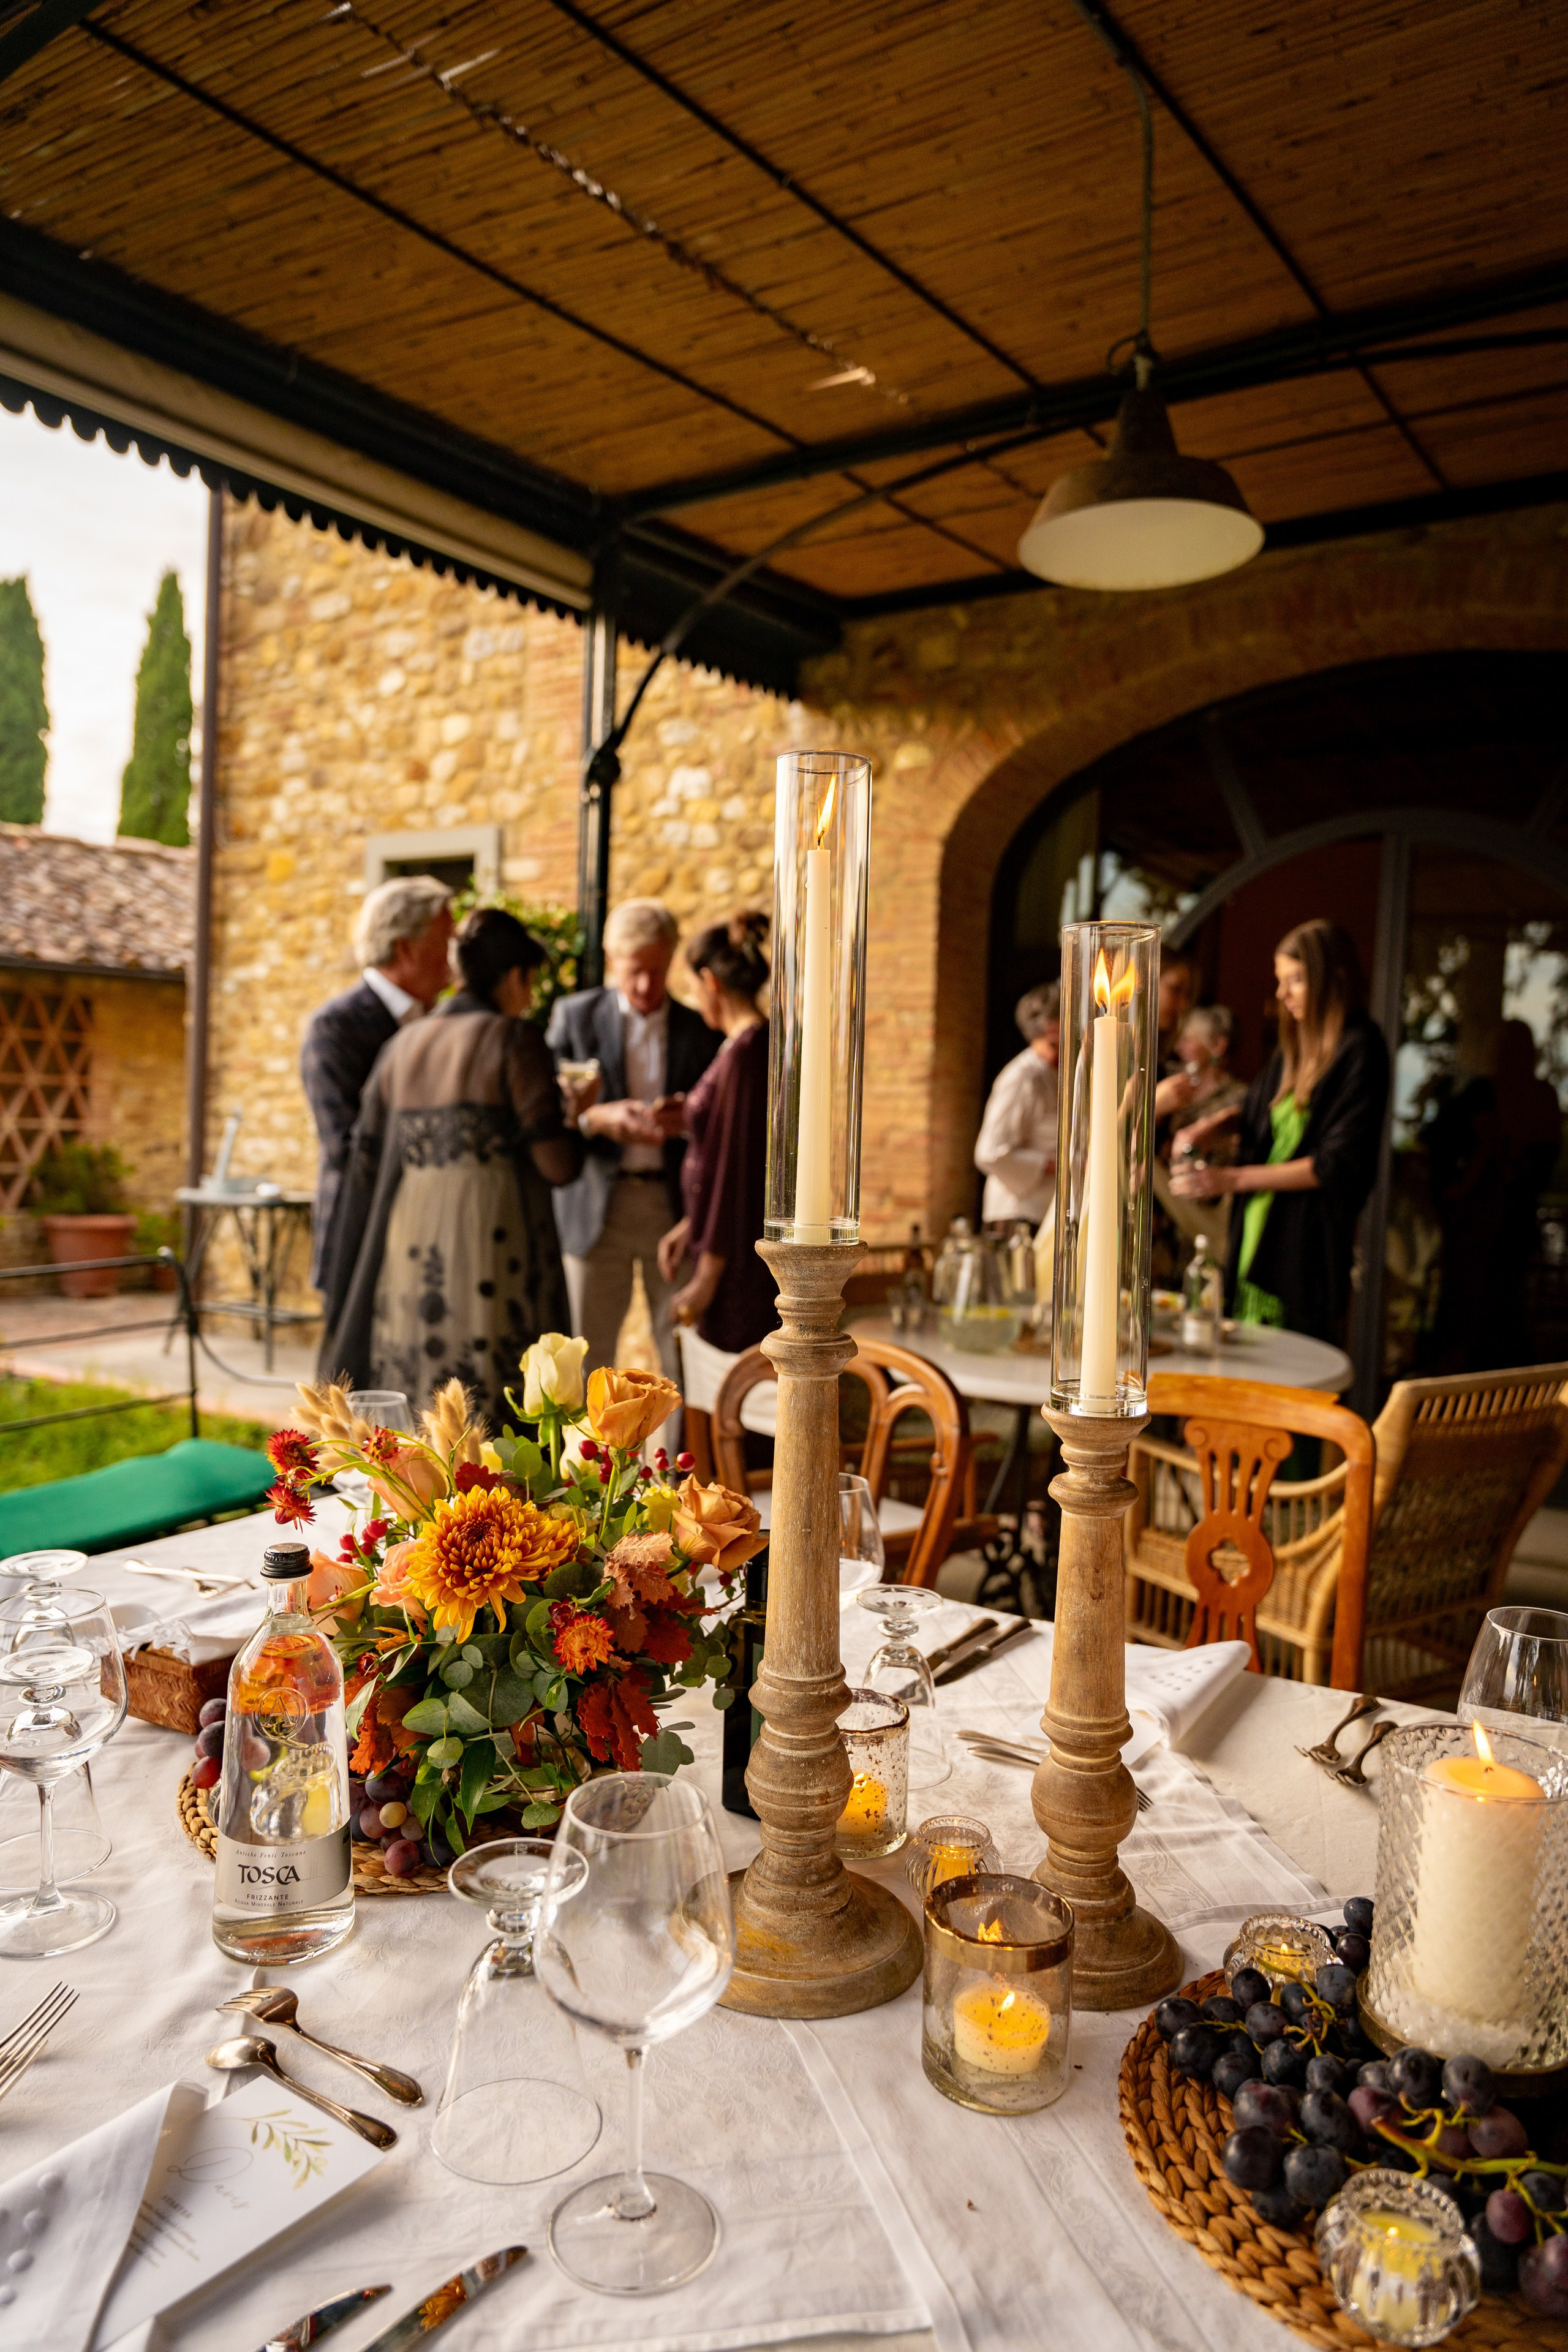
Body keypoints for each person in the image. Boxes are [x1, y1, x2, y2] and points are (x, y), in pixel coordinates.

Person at [319, 907, 582, 1424]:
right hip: (491, 1248)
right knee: (491, 1410)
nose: (529, 999)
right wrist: (579, 1117)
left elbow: (364, 1168)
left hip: (408, 1251)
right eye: (529, 984)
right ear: (513, 977)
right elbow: (558, 1165)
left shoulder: (400, 1047)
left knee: (420, 1396)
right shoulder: (513, 1039)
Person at [1171, 919, 1390, 1343]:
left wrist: (1229, 1179)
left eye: (1296, 980)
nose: (1281, 994)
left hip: (1302, 1250)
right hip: (1254, 1235)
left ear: (1333, 978)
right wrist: (1209, 1129)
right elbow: (1257, 1114)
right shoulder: (1294, 1048)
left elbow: (1335, 1165)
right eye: (1280, 980)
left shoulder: (1362, 1048)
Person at [546, 898, 719, 1381]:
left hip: (673, 1206)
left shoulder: (699, 1029)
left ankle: (682, 1457)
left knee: (683, 1351)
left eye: (657, 971)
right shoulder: (573, 1017)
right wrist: (597, 1118)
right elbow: (546, 1115)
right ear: (612, 961)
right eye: (634, 972)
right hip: (596, 1203)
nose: (645, 985)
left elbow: (720, 1123)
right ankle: (590, 1458)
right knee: (585, 1355)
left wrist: (689, 1118)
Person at [300, 876, 453, 1289]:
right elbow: (347, 1150)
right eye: (445, 943)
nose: (453, 961)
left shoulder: (442, 1024)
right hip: (362, 1246)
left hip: (431, 1249)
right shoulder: (336, 1027)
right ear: (406, 949)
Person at [655, 911, 775, 1352]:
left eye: (691, 984)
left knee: (725, 1407)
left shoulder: (745, 1053)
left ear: (711, 982)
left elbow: (734, 1168)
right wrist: (690, 1225)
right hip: (723, 1244)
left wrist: (705, 1278)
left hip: (736, 1263)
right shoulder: (745, 1046)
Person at [1429, 1017, 1563, 1370]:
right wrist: (1462, 1182)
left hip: (1509, 1233)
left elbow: (1539, 1164)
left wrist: (1503, 1151)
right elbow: (1436, 1144)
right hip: (1470, 1230)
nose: (1505, 1057)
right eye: (1500, 1049)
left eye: (1513, 1049)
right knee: (1461, 1315)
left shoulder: (1539, 1099)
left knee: (1503, 1316)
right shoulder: (1477, 1095)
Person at [1156, 1005, 1247, 1256]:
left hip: (1204, 1226)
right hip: (1159, 1230)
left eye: (1189, 1040)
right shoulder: (1169, 1084)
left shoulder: (1237, 1100)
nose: (1179, 1048)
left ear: (1218, 1046)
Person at [973, 982, 1060, 1226]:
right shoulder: (1023, 1076)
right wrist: (1053, 1165)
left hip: (1046, 1212)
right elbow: (990, 1152)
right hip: (1018, 1214)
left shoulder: (1055, 1072)